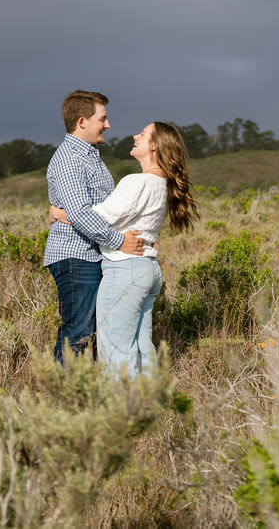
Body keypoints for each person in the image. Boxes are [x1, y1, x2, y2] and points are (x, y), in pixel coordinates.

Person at [51, 121, 198, 376]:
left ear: (154, 146)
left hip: (124, 270)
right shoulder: (162, 184)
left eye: (142, 134)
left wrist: (59, 213)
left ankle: (124, 410)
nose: (135, 135)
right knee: (142, 346)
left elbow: (99, 216)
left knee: (116, 348)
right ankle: (148, 404)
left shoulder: (137, 182)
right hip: (148, 269)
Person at [43, 90, 144, 363]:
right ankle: (61, 398)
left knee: (95, 331)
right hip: (76, 257)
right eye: (103, 119)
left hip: (91, 255)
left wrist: (61, 213)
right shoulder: (70, 159)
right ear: (82, 122)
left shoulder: (89, 155)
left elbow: (91, 208)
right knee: (78, 332)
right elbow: (80, 212)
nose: (108, 125)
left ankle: (93, 394)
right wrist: (119, 241)